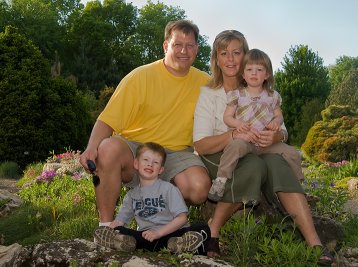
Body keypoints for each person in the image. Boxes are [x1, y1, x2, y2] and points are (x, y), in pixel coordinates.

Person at [193, 30, 334, 265]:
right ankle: (214, 230)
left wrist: (275, 136)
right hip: (221, 152)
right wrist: (233, 134)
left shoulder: (261, 89)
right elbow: (200, 143)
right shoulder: (209, 94)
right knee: (255, 166)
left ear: (246, 55)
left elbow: (283, 129)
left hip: (260, 145)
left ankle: (315, 243)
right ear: (216, 59)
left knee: (278, 163)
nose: (230, 59)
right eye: (224, 53)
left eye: (237, 53)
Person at [79, 20, 211, 229]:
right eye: (177, 44)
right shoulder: (140, 76)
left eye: (190, 45)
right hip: (135, 148)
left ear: (197, 48)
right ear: (165, 45)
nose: (184, 51)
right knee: (107, 149)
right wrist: (91, 147)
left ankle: (159, 208)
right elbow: (107, 119)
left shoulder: (206, 83)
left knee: (199, 187)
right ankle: (106, 226)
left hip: (176, 154)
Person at [208, 48, 304, 201]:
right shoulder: (237, 95)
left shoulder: (272, 96)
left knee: (292, 153)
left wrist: (276, 122)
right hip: (246, 139)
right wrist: (238, 123)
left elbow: (279, 116)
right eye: (249, 69)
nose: (254, 73)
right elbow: (227, 117)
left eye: (259, 69)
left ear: (266, 75)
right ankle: (220, 180)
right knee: (234, 146)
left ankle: (298, 185)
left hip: (266, 142)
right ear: (243, 74)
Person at [93, 142, 210, 254]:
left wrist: (158, 233)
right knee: (122, 231)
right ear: (136, 164)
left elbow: (182, 219)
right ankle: (125, 243)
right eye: (146, 160)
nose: (150, 164)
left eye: (156, 162)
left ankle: (179, 244)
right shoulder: (131, 196)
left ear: (161, 170)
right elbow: (120, 221)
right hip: (146, 237)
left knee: (202, 228)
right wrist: (109, 230)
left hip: (172, 234)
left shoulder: (168, 189)